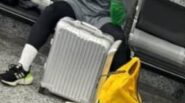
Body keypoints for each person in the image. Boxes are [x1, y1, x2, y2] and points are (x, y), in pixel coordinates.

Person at [0, 0, 130, 86]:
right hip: (76, 3)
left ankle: (112, 93)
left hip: (102, 15)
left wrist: (117, 7)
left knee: (119, 41)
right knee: (52, 11)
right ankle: (23, 69)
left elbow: (119, 16)